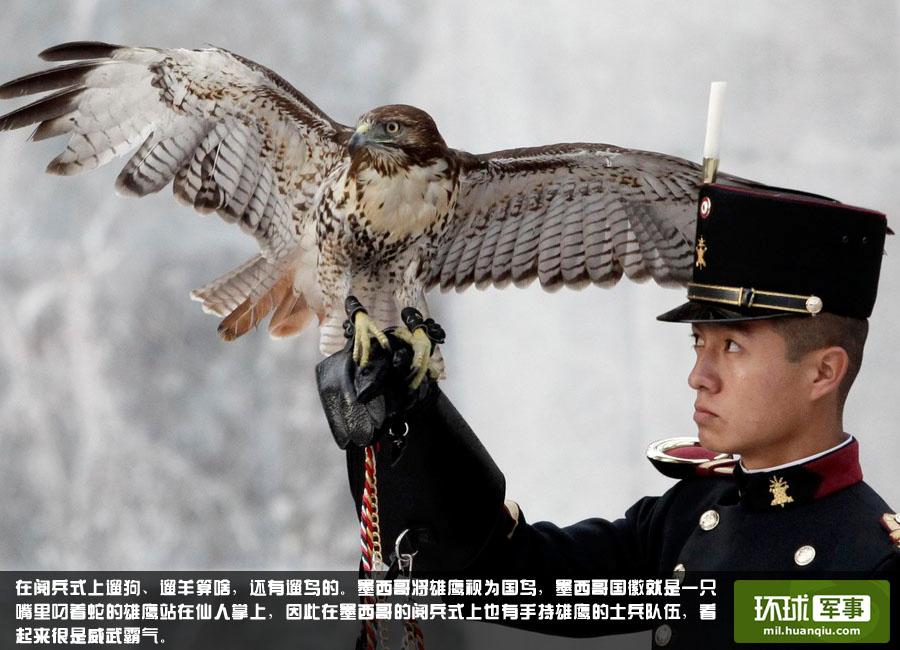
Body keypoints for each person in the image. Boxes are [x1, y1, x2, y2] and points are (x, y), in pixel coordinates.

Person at [317, 183, 899, 647]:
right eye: (699, 343)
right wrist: (411, 424)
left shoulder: (874, 570)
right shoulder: (692, 514)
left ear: (824, 372)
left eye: (734, 347)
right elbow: (513, 578)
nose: (700, 375)